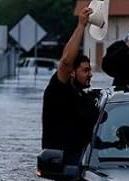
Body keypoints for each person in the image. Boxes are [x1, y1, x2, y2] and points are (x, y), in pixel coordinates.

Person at [41, 5, 99, 165]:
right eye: (85, 70)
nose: (90, 74)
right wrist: (81, 26)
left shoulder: (88, 98)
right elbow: (66, 62)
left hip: (88, 161)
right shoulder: (58, 91)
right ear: (72, 72)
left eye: (90, 70)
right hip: (64, 165)